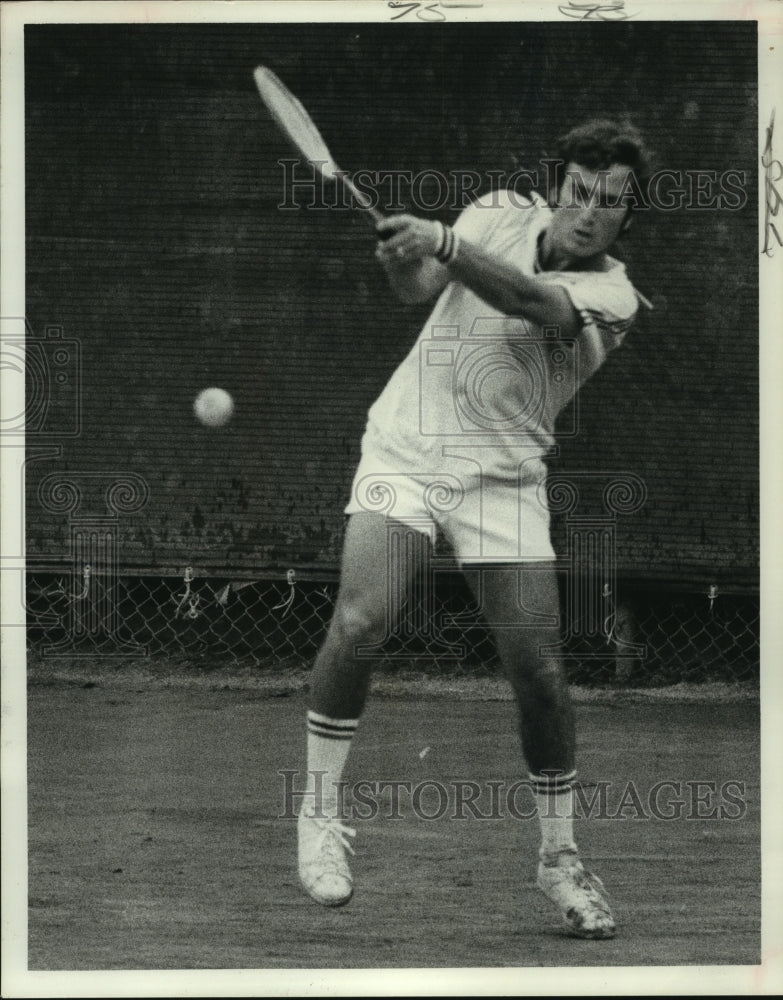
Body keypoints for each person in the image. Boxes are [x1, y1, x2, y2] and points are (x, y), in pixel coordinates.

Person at [296, 120, 652, 939]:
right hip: (407, 448)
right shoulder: (496, 211)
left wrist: (444, 243)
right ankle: (318, 816)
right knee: (360, 620)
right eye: (577, 192)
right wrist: (407, 260)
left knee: (536, 668)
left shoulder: (614, 297)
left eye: (609, 203)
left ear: (626, 221)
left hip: (504, 478)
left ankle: (557, 856)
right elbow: (421, 288)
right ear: (555, 186)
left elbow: (526, 299)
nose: (589, 212)